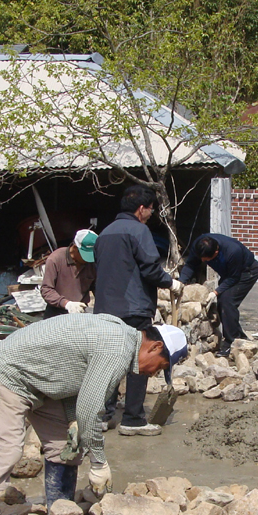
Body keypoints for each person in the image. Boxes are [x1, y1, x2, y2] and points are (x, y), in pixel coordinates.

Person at [0, 317, 188, 515]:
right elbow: (90, 411)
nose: (154, 373)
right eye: (160, 366)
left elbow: (72, 375)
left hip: (43, 381)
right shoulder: (117, 349)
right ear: (153, 347)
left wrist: (72, 420)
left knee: (66, 447)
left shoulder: (122, 338)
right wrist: (99, 462)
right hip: (11, 374)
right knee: (4, 453)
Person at [93, 185, 181, 436]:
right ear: (141, 209)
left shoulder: (104, 234)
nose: (150, 215)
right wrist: (170, 282)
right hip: (133, 307)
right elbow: (150, 270)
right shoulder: (139, 230)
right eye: (150, 210)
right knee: (138, 361)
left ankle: (103, 415)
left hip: (105, 311)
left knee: (108, 361)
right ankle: (133, 419)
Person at [177, 233, 258, 357]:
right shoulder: (199, 245)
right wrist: (180, 283)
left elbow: (233, 278)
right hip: (229, 273)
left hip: (246, 272)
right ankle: (238, 336)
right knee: (223, 301)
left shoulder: (232, 251)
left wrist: (215, 292)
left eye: (206, 260)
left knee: (227, 301)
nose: (203, 261)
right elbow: (190, 264)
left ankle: (232, 342)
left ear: (216, 253)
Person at [40, 229, 97, 318]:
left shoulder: (91, 264)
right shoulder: (56, 259)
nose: (88, 260)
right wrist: (67, 304)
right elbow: (46, 290)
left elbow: (97, 288)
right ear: (75, 248)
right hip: (56, 312)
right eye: (85, 255)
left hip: (80, 311)